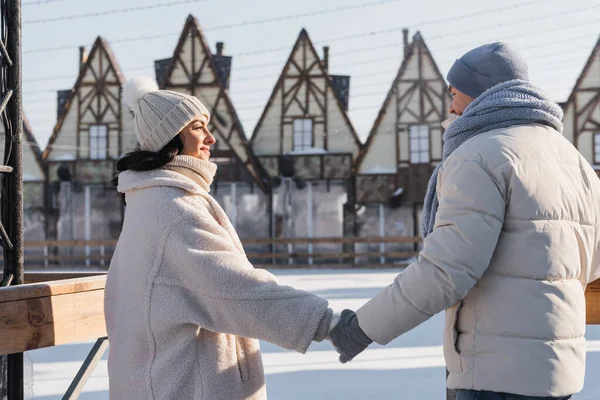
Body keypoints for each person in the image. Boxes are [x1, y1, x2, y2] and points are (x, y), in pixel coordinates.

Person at [328, 42, 600, 399]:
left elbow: (446, 269)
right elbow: (592, 264)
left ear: (479, 93)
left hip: (495, 375)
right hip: (558, 373)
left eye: (454, 93)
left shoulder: (479, 155)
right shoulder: (573, 160)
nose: (451, 106)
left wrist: (360, 327)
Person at [104, 77, 338, 400]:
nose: (211, 138)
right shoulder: (173, 210)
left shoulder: (148, 201)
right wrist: (324, 322)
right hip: (182, 388)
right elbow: (237, 290)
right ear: (169, 138)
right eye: (198, 127)